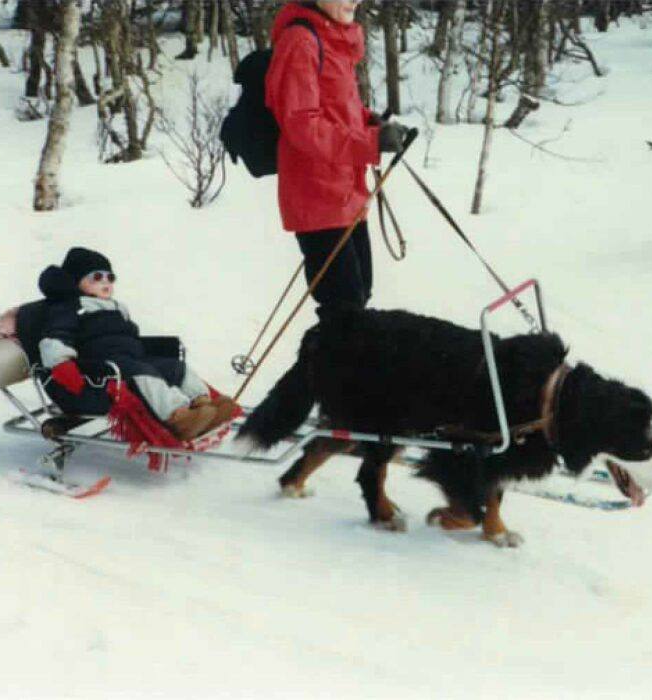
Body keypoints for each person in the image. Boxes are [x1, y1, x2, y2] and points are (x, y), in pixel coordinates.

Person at [265, 0, 409, 318]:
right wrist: (369, 143)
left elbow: (338, 108)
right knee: (343, 308)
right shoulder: (300, 41)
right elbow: (302, 124)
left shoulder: (332, 38)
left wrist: (374, 124)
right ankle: (326, 368)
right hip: (317, 196)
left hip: (347, 193)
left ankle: (343, 366)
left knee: (358, 296)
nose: (355, 1)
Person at [37, 247, 237, 441]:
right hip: (98, 372)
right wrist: (61, 363)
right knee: (143, 375)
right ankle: (179, 418)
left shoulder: (115, 307)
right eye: (96, 277)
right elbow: (55, 337)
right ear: (76, 281)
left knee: (176, 368)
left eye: (110, 277)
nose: (105, 282)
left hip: (127, 361)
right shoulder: (69, 307)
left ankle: (203, 406)